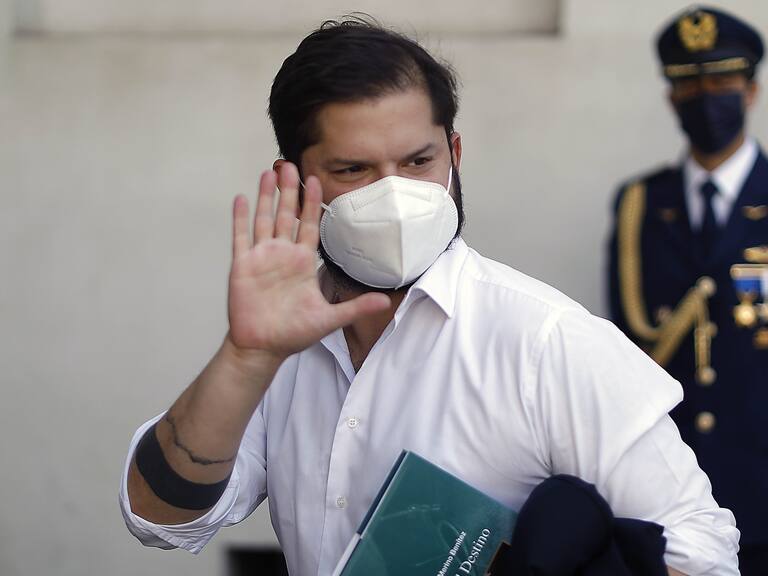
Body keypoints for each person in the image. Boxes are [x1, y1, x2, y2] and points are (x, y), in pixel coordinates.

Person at [121, 17, 738, 576]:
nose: (394, 198)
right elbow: (161, 518)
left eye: (418, 161)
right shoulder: (277, 352)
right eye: (354, 170)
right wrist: (245, 357)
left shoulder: (548, 343)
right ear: (295, 180)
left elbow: (702, 552)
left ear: (455, 154)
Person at [607, 5, 768, 574]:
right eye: (690, 83)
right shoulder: (640, 206)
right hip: (672, 494)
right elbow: (626, 353)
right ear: (671, 96)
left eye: (722, 80)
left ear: (750, 90)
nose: (706, 96)